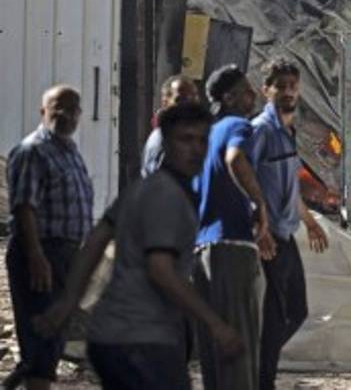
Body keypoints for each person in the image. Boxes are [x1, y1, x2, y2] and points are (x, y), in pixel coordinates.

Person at [33, 103, 244, 389]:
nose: (195, 149)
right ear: (165, 142)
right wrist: (214, 323)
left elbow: (98, 237)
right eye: (185, 139)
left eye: (202, 140)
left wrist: (69, 302)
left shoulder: (144, 187)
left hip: (110, 338)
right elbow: (161, 270)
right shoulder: (166, 196)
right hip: (142, 340)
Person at [4, 85, 93, 390]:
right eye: (58, 107)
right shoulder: (33, 151)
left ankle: (20, 378)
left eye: (73, 108)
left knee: (52, 340)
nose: (66, 114)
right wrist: (35, 255)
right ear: (43, 112)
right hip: (41, 253)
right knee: (41, 340)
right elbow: (24, 207)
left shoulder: (69, 152)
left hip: (66, 255)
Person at [249, 57, 329, 390]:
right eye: (281, 86)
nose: (288, 92)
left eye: (293, 87)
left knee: (296, 311)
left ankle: (257, 362)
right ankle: (260, 377)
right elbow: (246, 180)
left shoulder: (286, 131)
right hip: (269, 236)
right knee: (275, 316)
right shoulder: (261, 131)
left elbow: (288, 186)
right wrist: (260, 228)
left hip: (286, 232)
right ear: (266, 89)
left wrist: (309, 221)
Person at [195, 65, 272, 390]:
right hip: (232, 249)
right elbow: (236, 159)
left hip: (203, 253)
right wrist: (259, 205)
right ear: (228, 98)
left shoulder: (204, 135)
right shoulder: (237, 126)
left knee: (215, 355)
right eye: (246, 91)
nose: (253, 96)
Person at [141, 75, 200, 178]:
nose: (189, 106)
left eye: (193, 99)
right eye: (180, 100)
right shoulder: (165, 140)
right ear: (165, 103)